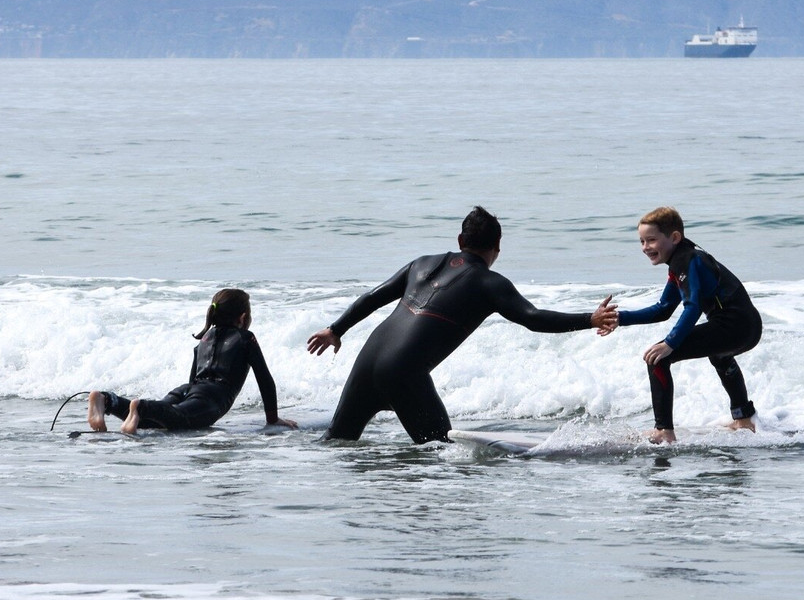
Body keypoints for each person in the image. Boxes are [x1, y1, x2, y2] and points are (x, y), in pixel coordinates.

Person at [307, 206, 618, 444]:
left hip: (367, 359)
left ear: (459, 240)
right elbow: (532, 318)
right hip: (403, 372)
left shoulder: (422, 263)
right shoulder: (489, 283)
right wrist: (588, 319)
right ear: (497, 248)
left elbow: (372, 297)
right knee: (441, 450)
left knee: (336, 442)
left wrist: (335, 330)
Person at [607, 206, 762, 443]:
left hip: (735, 327)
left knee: (658, 358)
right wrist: (621, 318)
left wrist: (670, 343)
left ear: (674, 238)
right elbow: (663, 309)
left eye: (651, 240)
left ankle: (664, 431)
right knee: (719, 356)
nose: (645, 247)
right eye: (641, 241)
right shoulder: (682, 260)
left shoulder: (687, 261)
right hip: (746, 327)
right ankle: (743, 418)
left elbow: (693, 306)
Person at [87, 288, 298, 435]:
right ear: (243, 318)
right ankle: (141, 407)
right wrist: (273, 419)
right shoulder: (246, 338)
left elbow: (192, 382)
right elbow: (264, 379)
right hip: (212, 397)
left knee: (157, 420)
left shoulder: (205, 339)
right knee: (180, 420)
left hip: (187, 390)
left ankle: (107, 400)